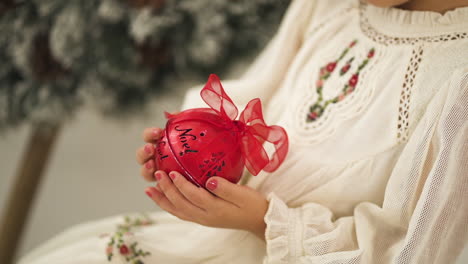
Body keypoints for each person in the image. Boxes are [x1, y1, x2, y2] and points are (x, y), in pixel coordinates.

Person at [19, 0, 468, 263]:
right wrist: (184, 157)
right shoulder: (328, 8)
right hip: (211, 241)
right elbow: (253, 94)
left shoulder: (459, 74)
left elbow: (415, 248)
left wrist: (261, 220)